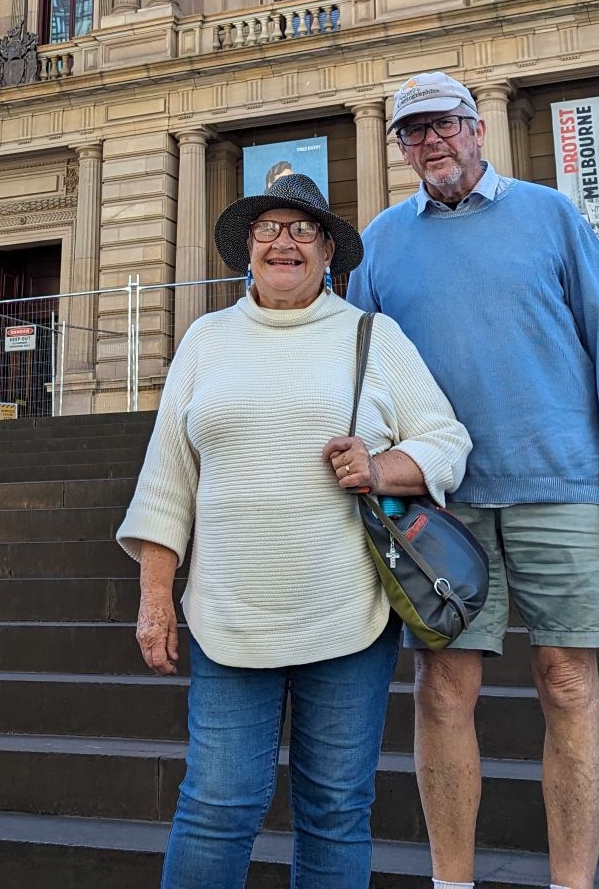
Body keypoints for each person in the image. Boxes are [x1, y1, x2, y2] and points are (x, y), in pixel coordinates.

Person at [344, 73, 599, 889]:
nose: (431, 143)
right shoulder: (379, 241)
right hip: (438, 500)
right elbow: (355, 375)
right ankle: (453, 883)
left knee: (566, 678)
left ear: (478, 128)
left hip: (563, 484)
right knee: (443, 688)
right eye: (413, 134)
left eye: (444, 125)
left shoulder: (552, 214)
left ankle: (573, 885)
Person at [117, 171, 472, 889]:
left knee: (336, 810)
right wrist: (156, 595)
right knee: (216, 805)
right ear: (248, 248)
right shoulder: (207, 339)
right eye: (268, 229)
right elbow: (167, 477)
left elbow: (447, 441)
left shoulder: (373, 336)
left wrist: (381, 465)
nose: (284, 242)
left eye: (302, 229)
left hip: (348, 613)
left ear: (328, 250)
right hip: (228, 616)